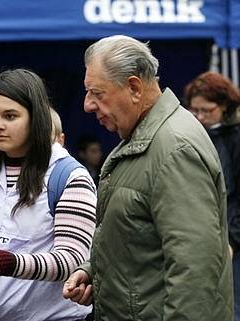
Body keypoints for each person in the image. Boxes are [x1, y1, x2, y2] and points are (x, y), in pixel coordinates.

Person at [63, 35, 233, 320]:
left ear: (134, 87)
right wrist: (94, 271)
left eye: (97, 93)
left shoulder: (174, 148)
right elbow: (141, 238)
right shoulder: (146, 138)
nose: (87, 105)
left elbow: (194, 268)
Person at [0, 68, 96, 321]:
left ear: (36, 118)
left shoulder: (69, 176)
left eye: (10, 116)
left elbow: (71, 260)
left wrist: (8, 263)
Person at [184, 71, 240, 321]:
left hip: (233, 241)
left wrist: (233, 240)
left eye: (207, 110)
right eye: (195, 110)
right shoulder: (200, 133)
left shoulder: (235, 137)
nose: (200, 117)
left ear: (225, 105)